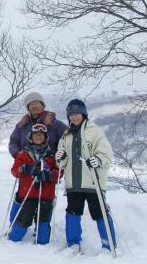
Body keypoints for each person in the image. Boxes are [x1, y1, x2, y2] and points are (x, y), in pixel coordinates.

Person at [55, 99, 116, 252]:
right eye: (71, 115)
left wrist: (98, 160)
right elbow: (61, 163)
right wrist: (60, 157)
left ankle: (108, 245)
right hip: (73, 184)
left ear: (83, 114)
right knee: (73, 212)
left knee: (99, 213)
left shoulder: (94, 132)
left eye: (77, 114)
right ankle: (74, 244)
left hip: (92, 182)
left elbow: (106, 154)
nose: (74, 117)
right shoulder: (66, 136)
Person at [7, 124, 60, 244]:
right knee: (22, 222)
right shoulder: (23, 154)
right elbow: (15, 171)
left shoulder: (51, 155)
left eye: (41, 135)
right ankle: (12, 242)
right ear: (31, 137)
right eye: (36, 135)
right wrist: (24, 168)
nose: (38, 137)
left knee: (43, 222)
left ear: (45, 137)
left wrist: (49, 175)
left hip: (46, 195)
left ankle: (42, 243)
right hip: (28, 194)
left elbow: (59, 172)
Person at [9, 92, 67, 157]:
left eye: (36, 103)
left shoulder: (55, 124)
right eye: (31, 104)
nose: (34, 106)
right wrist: (17, 154)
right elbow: (13, 142)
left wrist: (60, 156)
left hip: (51, 164)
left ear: (43, 105)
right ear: (28, 108)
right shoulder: (22, 125)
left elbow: (68, 140)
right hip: (26, 164)